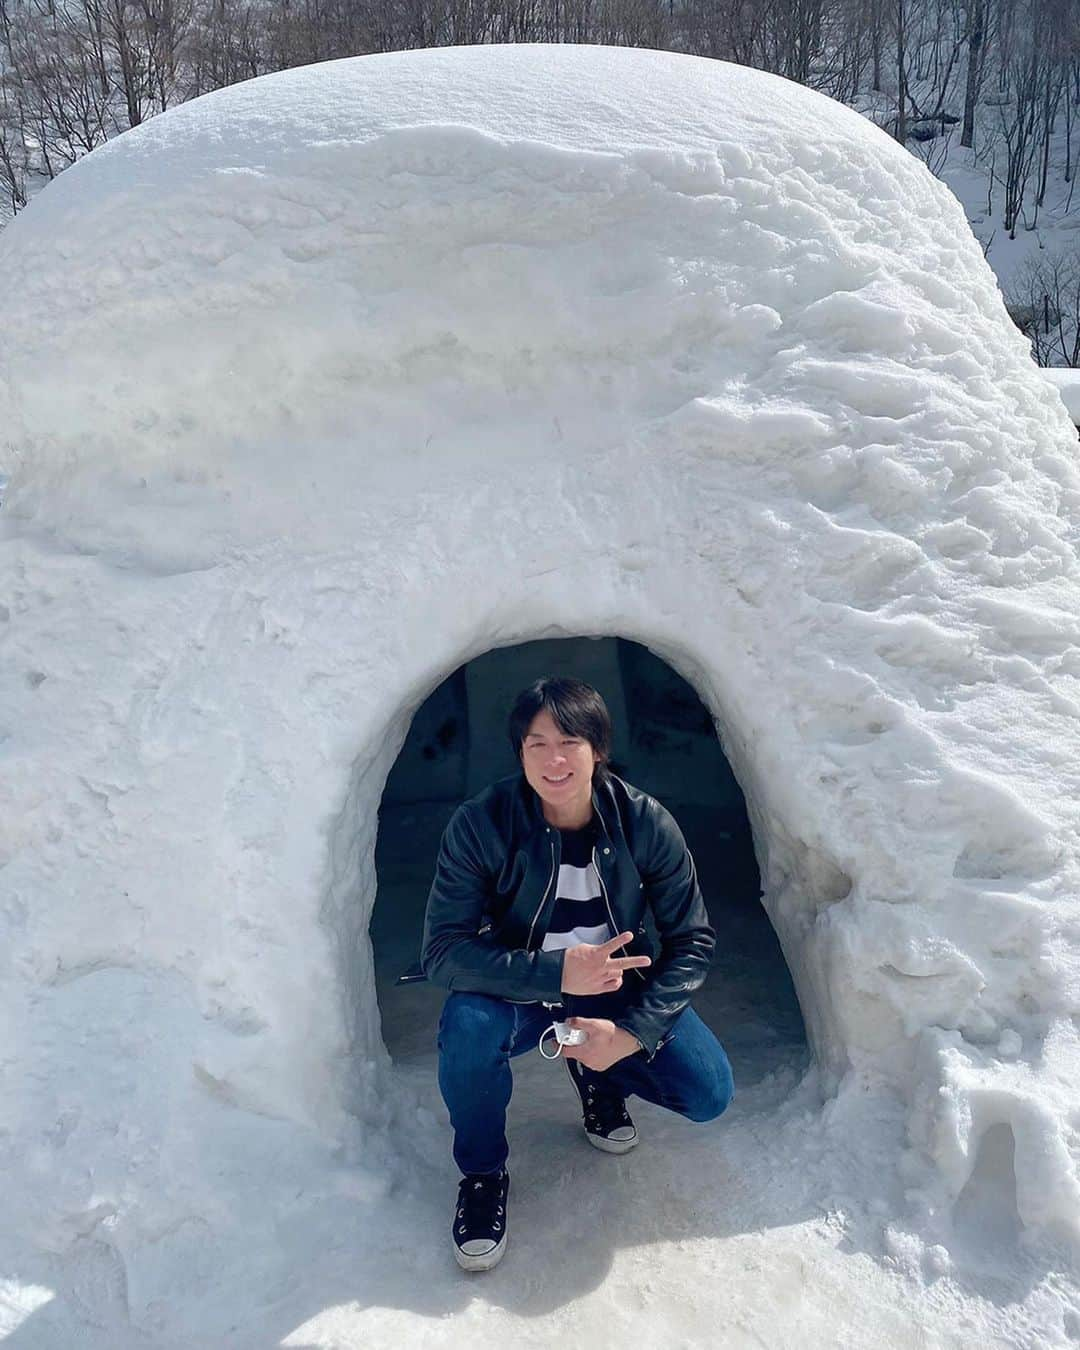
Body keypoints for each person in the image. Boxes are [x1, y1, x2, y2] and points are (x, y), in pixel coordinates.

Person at [421, 675, 734, 1271]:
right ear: (519, 754)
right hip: (523, 984)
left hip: (617, 990)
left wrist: (631, 1035)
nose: (554, 759)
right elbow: (443, 951)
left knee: (708, 1092)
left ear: (598, 748)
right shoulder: (482, 823)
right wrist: (557, 974)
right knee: (468, 1027)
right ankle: (483, 1176)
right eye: (536, 744)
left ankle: (601, 1073)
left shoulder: (644, 822)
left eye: (569, 740)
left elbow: (692, 940)